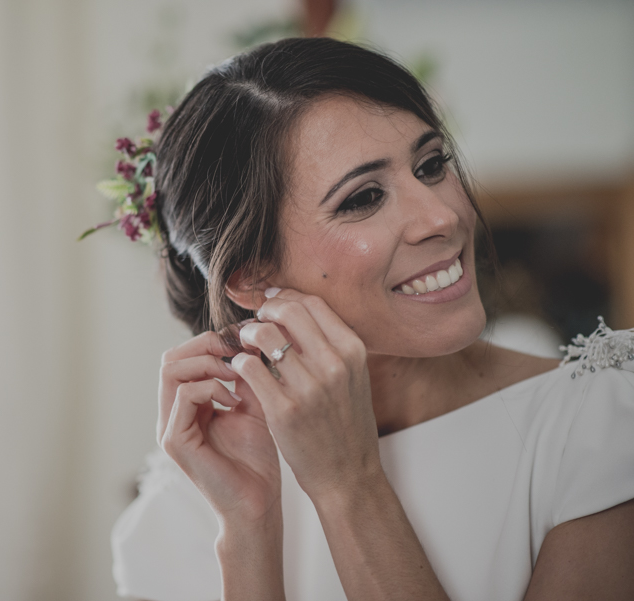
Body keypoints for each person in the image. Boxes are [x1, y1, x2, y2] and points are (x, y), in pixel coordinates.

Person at [108, 38, 634, 601]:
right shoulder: (187, 503)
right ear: (254, 276)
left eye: (432, 165)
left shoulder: (603, 425)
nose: (442, 216)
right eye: (363, 198)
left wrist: (349, 486)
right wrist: (249, 529)